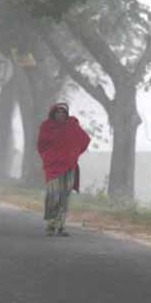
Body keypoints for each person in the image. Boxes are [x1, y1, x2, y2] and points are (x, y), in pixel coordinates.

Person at [37, 102, 90, 237]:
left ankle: (60, 226)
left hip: (69, 166)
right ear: (53, 113)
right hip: (53, 166)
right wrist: (49, 157)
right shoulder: (47, 127)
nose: (60, 115)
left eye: (63, 112)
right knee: (53, 194)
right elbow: (41, 146)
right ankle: (50, 224)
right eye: (58, 112)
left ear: (67, 114)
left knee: (64, 196)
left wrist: (74, 154)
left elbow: (84, 139)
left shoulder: (72, 125)